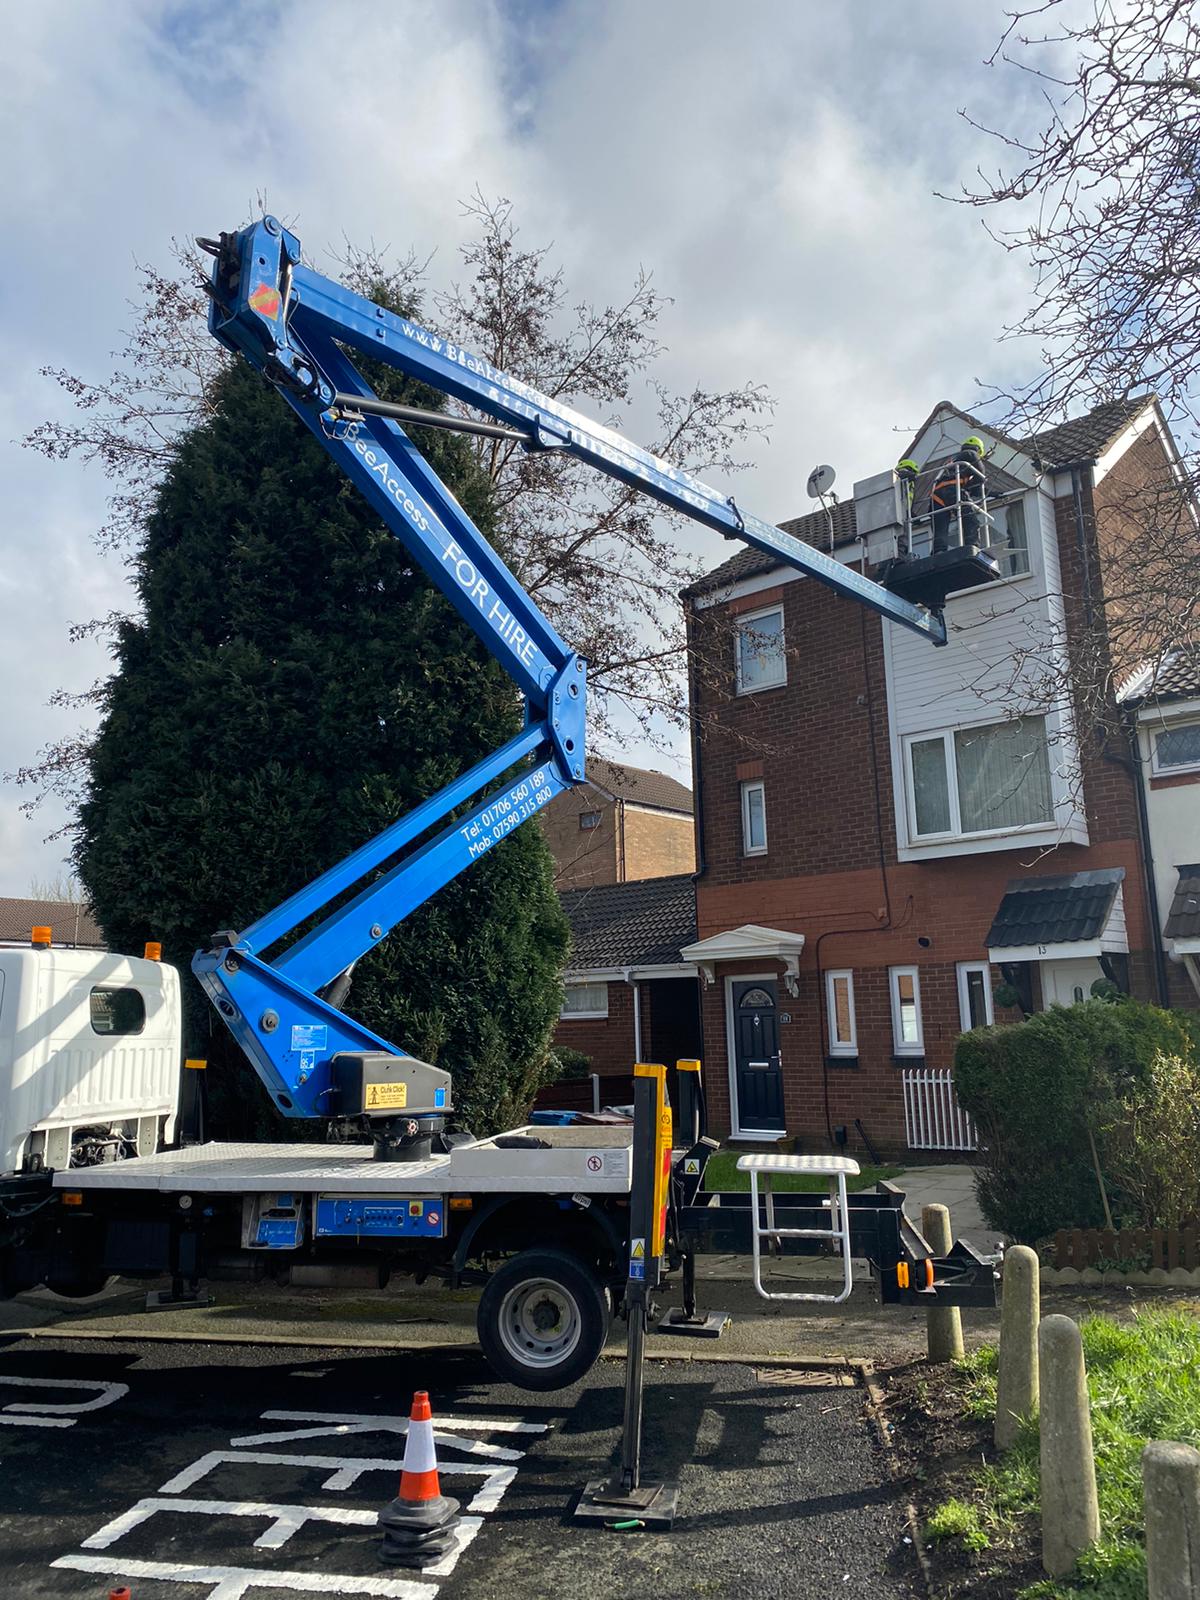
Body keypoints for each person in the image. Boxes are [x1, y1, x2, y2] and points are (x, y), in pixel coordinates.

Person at [930, 436, 987, 553]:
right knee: (970, 519)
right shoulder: (971, 453)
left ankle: (939, 551)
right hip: (952, 489)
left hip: (937, 494)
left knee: (940, 526)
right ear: (979, 450)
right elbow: (980, 475)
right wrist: (975, 485)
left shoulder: (954, 460)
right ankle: (972, 547)